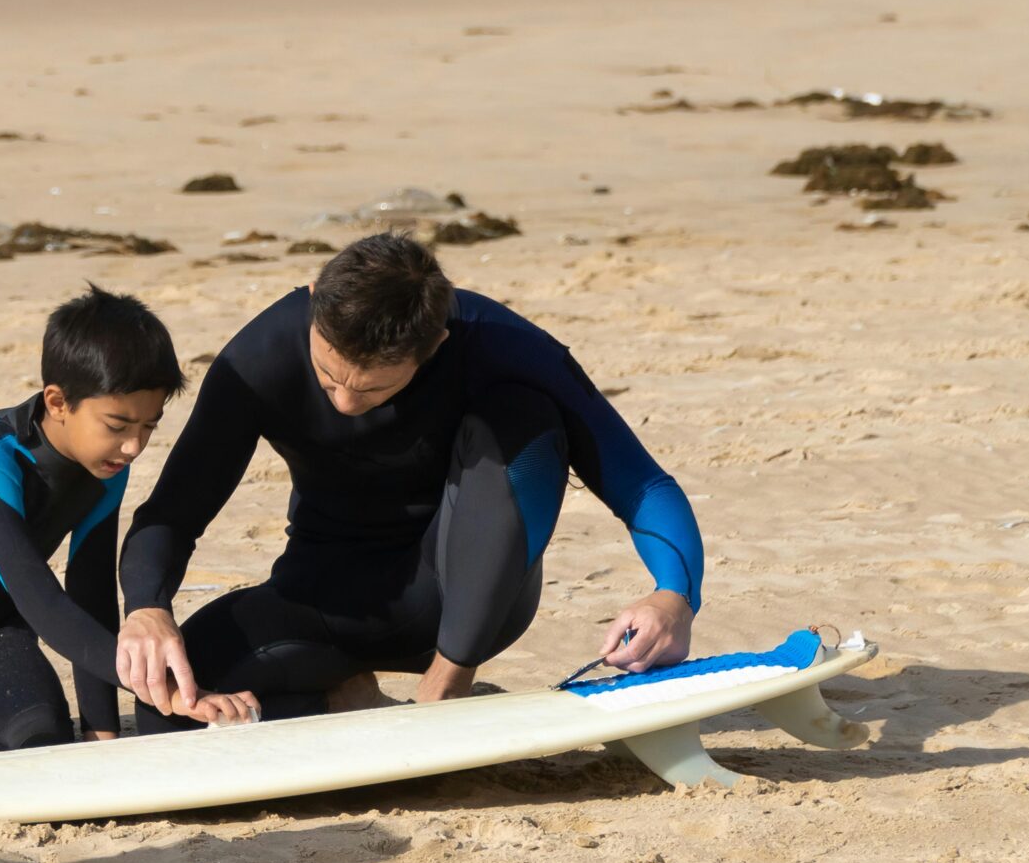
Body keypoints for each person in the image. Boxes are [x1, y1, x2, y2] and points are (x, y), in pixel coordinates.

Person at [115, 232, 704, 723]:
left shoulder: (504, 346)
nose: (346, 402)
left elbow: (643, 485)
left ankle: (448, 681)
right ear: (315, 300)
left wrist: (673, 597)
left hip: (466, 594)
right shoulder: (260, 356)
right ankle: (342, 693)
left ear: (435, 345)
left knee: (524, 417)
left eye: (373, 387)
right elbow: (174, 510)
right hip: (323, 598)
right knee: (167, 706)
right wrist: (147, 606)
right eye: (327, 377)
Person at [0, 285, 252, 761]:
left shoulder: (107, 472)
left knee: (42, 741)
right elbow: (40, 600)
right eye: (117, 426)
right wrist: (169, 690)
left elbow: (90, 595)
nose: (134, 447)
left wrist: (103, 735)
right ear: (57, 402)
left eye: (149, 425)